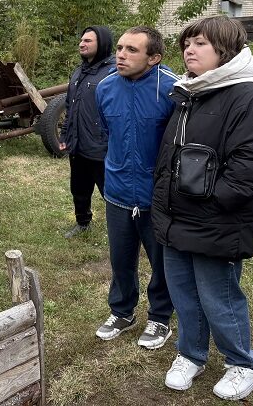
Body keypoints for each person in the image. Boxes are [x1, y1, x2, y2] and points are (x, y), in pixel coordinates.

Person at [151, 16, 253, 400]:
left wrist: (209, 199)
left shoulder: (247, 96)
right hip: (176, 218)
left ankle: (242, 364)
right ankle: (190, 354)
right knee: (184, 294)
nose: (189, 49)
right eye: (187, 43)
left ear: (225, 50)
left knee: (218, 297)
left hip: (215, 221)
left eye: (200, 43)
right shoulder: (190, 91)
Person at [94, 26, 180, 350]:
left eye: (132, 50)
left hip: (156, 195)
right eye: (119, 48)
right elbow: (107, 130)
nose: (121, 54)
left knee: (162, 261)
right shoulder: (104, 88)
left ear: (154, 58)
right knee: (121, 258)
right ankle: (122, 311)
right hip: (116, 190)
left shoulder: (171, 89)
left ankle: (160, 318)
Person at [58, 26, 116, 238]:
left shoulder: (113, 72)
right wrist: (65, 134)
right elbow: (69, 106)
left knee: (109, 191)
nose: (82, 44)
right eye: (81, 40)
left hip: (102, 146)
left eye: (88, 41)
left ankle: (120, 231)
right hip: (77, 143)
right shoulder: (79, 71)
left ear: (102, 43)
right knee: (79, 188)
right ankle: (83, 222)